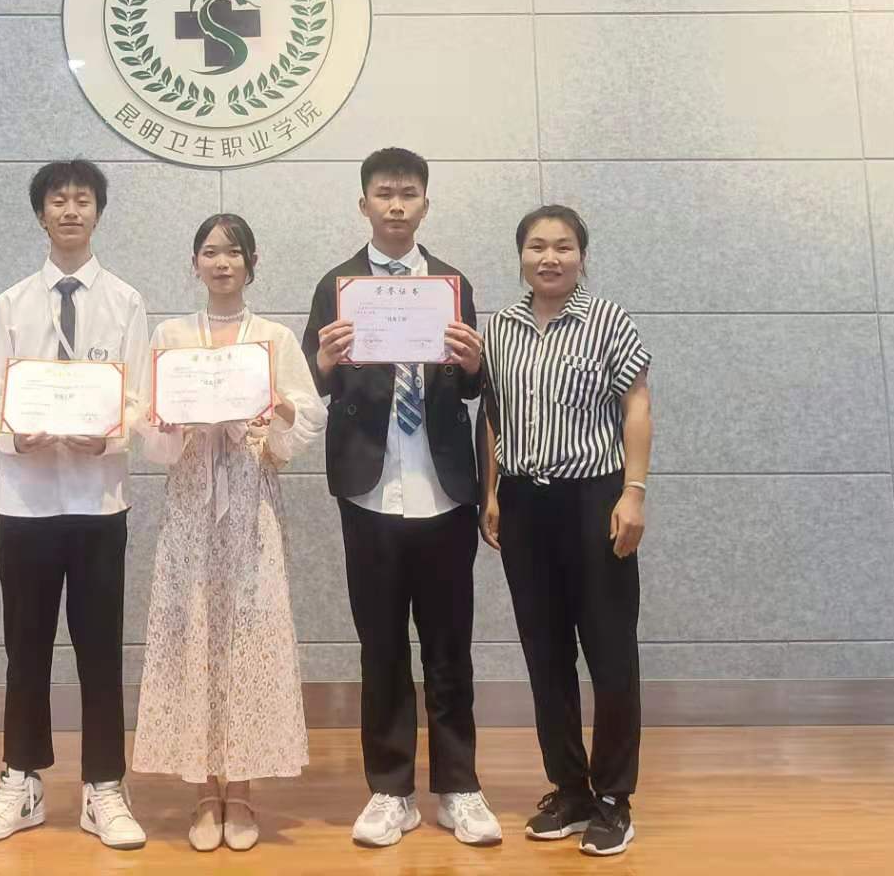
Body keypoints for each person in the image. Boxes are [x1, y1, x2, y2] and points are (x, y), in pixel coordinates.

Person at [300, 147, 501, 849]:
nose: (395, 204)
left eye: (407, 193)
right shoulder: (337, 286)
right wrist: (323, 361)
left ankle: (459, 788)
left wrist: (474, 364)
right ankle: (390, 791)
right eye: (383, 193)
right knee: (381, 648)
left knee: (449, 647)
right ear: (363, 205)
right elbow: (310, 385)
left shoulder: (451, 283)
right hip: (370, 490)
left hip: (443, 490)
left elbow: (474, 388)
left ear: (424, 205)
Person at [0, 159, 150, 851]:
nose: (71, 210)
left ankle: (105, 786)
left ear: (98, 212)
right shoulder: (11, 304)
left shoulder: (126, 301)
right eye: (58, 200)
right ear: (41, 214)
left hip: (98, 501)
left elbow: (140, 398)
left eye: (83, 200)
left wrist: (112, 432)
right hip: (26, 501)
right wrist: (16, 434)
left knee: (100, 648)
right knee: (26, 648)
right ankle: (22, 780)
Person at [132, 214, 325, 852]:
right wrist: (168, 423)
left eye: (234, 252)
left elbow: (307, 419)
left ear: (251, 263)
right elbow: (151, 434)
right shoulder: (170, 336)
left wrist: (281, 407)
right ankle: (200, 790)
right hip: (190, 506)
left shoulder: (272, 337)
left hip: (249, 502)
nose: (222, 263)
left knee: (249, 635)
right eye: (210, 252)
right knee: (193, 632)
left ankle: (239, 789)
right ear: (194, 263)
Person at [479, 203, 652, 857]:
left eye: (562, 246)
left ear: (581, 255)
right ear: (520, 255)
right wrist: (492, 491)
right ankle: (570, 789)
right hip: (524, 502)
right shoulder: (500, 328)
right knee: (544, 653)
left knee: (609, 652)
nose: (548, 257)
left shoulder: (608, 320)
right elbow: (493, 415)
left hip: (594, 499)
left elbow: (636, 406)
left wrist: (633, 492)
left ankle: (614, 797)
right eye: (536, 246)